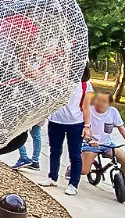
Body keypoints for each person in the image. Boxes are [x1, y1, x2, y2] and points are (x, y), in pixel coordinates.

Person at [39, 66, 93, 195]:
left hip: (75, 123)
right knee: (55, 151)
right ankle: (52, 177)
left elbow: (86, 107)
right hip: (55, 121)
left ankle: (73, 184)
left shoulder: (85, 85)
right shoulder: (58, 81)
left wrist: (87, 126)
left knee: (75, 154)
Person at [82, 91, 125, 180]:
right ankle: (73, 167)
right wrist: (89, 140)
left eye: (104, 101)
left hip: (107, 144)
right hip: (89, 144)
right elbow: (83, 129)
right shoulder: (88, 111)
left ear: (109, 103)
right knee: (84, 170)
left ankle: (122, 184)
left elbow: (121, 128)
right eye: (98, 100)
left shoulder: (113, 112)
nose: (100, 103)